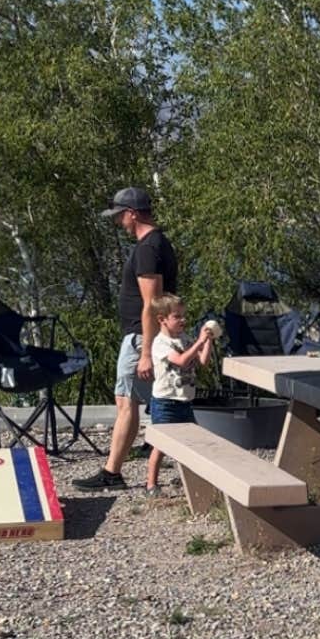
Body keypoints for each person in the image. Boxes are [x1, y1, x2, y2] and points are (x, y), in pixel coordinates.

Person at [79, 186, 177, 491]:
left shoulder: (148, 248)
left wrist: (147, 350)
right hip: (142, 334)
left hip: (139, 336)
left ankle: (112, 472)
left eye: (121, 215)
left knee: (125, 401)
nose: (119, 221)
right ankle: (130, 465)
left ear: (132, 213)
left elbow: (153, 302)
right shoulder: (157, 243)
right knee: (145, 400)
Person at [144, 297, 216, 494]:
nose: (182, 320)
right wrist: (199, 341)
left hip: (185, 400)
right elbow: (182, 361)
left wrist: (207, 342)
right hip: (165, 401)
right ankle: (151, 484)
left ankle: (189, 478)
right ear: (162, 319)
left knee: (191, 441)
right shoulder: (160, 343)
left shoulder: (184, 339)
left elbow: (202, 361)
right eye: (177, 316)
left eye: (184, 316)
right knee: (161, 443)